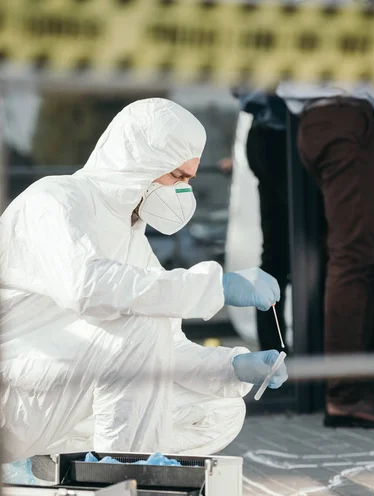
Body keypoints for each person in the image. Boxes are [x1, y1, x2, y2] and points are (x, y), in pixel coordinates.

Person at [0, 98, 288, 464]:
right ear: (139, 162)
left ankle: (49, 467)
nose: (183, 192)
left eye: (188, 180)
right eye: (177, 177)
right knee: (138, 321)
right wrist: (215, 287)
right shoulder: (54, 200)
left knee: (218, 410)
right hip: (14, 393)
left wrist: (232, 367)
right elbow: (89, 287)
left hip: (58, 394)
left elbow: (160, 347)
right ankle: (121, 482)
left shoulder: (131, 234)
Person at [276, 79, 374, 426]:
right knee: (355, 256)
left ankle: (354, 385)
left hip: (335, 117)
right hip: (341, 114)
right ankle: (344, 395)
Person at [220, 90, 290, 353]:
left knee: (277, 254)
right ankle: (283, 348)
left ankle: (274, 348)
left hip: (266, 132)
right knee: (314, 249)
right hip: (280, 134)